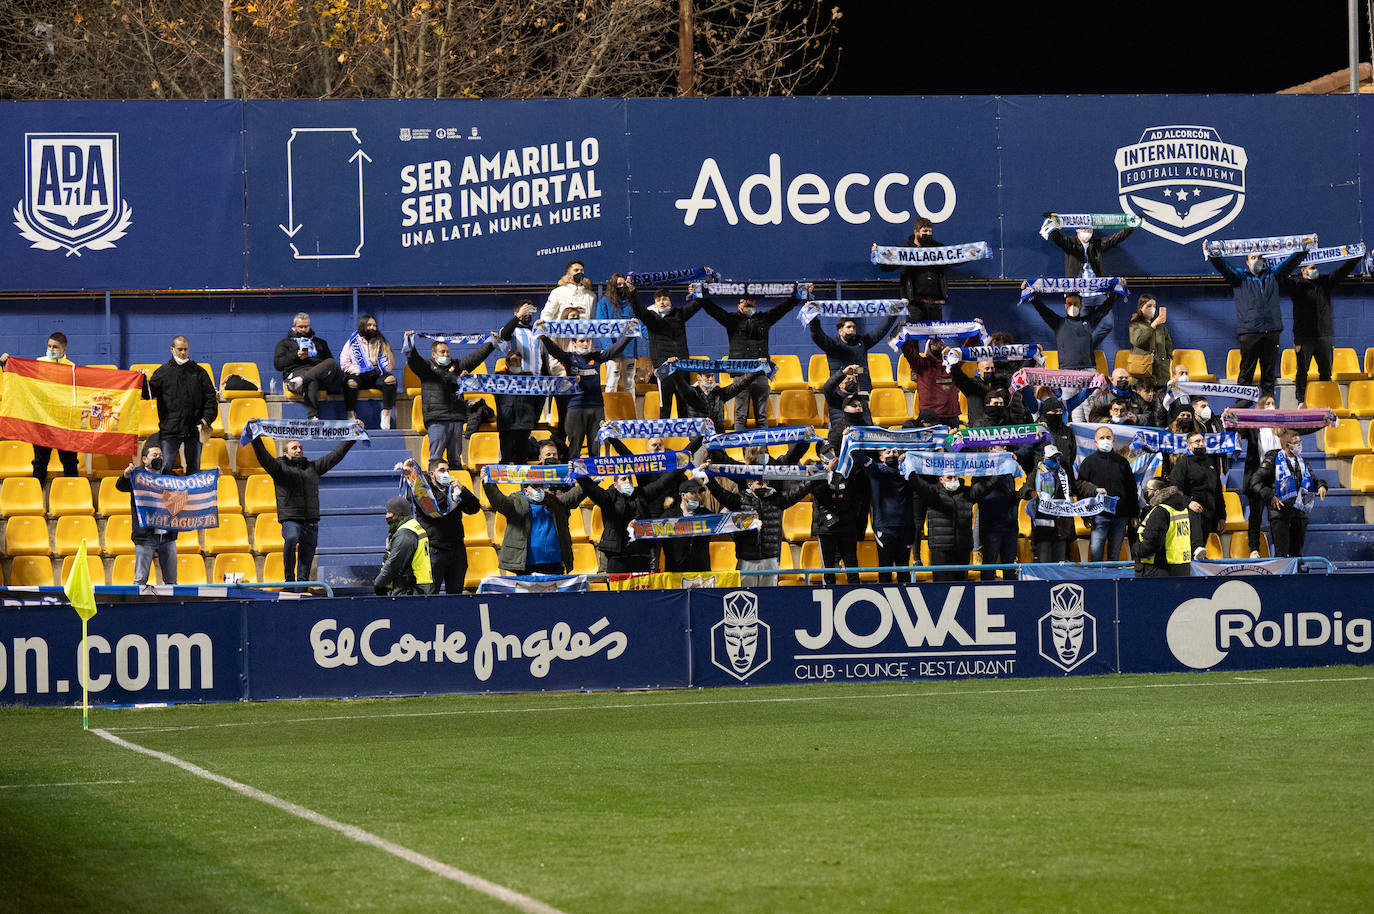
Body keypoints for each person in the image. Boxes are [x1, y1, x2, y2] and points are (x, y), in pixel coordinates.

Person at [251, 433, 358, 583]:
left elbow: (335, 456)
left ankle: (302, 587)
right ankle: (289, 580)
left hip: (311, 521)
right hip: (291, 519)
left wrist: (352, 437)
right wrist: (255, 437)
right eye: (294, 448)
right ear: (285, 453)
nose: (298, 450)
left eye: (300, 448)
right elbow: (263, 456)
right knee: (292, 537)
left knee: (306, 561)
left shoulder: (312, 467)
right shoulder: (278, 468)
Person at [701, 286, 805, 430]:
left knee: (762, 416)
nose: (747, 303)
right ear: (738, 305)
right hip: (740, 375)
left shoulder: (765, 319)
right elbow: (713, 309)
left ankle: (763, 451)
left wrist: (798, 296)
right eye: (744, 301)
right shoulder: (731, 320)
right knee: (741, 415)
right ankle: (742, 451)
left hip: (761, 374)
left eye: (750, 300)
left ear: (755, 303)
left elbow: (783, 308)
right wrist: (699, 296)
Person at [1208, 250, 1306, 401]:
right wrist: (1212, 254)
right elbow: (1223, 266)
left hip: (1272, 331)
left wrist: (1303, 249)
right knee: (1246, 373)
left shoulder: (1272, 275)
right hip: (1249, 332)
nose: (1257, 260)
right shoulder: (1239, 277)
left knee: (1268, 375)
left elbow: (1290, 263)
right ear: (1247, 262)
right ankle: (1240, 410)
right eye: (1253, 257)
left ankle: (1268, 409)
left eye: (1260, 257)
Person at [540, 323, 637, 459]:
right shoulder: (569, 358)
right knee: (574, 448)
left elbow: (615, 349)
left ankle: (595, 479)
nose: (585, 344)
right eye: (581, 341)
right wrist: (543, 337)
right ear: (574, 343)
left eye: (588, 340)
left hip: (597, 408)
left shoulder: (597, 357)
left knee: (595, 447)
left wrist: (629, 334)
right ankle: (574, 480)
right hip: (575, 408)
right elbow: (554, 350)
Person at [405, 331, 496, 469]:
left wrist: (491, 343)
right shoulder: (426, 368)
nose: (446, 355)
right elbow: (413, 359)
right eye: (442, 352)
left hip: (456, 419)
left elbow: (476, 357)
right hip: (437, 419)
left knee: (455, 460)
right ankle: (436, 489)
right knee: (435, 460)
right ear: (433, 354)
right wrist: (409, 343)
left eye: (447, 352)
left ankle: (456, 489)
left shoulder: (457, 366)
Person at [1045, 222, 1135, 360]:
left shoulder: (1097, 244)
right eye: (1083, 229)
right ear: (1077, 230)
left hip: (1099, 293)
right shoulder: (1070, 243)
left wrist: (1131, 226)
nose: (1086, 231)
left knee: (1108, 323)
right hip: (1079, 296)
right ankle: (1081, 353)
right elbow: (1057, 238)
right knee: (1080, 328)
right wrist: (1052, 225)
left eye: (1089, 229)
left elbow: (1116, 238)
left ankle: (1085, 347)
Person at [704, 471, 810, 586]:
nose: (764, 486)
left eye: (765, 483)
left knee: (768, 596)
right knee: (748, 595)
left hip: (770, 559)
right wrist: (707, 476)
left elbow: (799, 493)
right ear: (750, 484)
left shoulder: (777, 499)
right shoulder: (739, 500)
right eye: (760, 483)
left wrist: (813, 479)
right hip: (747, 559)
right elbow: (720, 493)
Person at [1, 332, 81, 483]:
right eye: (49, 346)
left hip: (64, 424)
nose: (51, 349)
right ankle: (37, 498)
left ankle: (72, 500)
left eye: (55, 347)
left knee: (70, 464)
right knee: (39, 464)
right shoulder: (37, 364)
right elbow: (20, 378)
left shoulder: (72, 369)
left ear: (64, 349)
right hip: (41, 422)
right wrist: (7, 363)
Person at [1280, 256, 1362, 405]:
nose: (1315, 270)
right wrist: (1297, 340)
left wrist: (1355, 258)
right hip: (1304, 338)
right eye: (1311, 268)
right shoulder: (1295, 285)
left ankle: (1325, 399)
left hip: (1325, 336)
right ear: (1303, 270)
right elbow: (1279, 275)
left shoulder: (1325, 283)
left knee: (1326, 372)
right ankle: (1301, 401)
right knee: (1302, 372)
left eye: (1316, 267)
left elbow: (1342, 272)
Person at [399, 458, 482, 594]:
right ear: (432, 474)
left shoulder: (455, 491)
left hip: (457, 551)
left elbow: (474, 508)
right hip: (433, 551)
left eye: (448, 471)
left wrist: (463, 490)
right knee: (429, 595)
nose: (446, 474)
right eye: (442, 470)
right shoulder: (423, 493)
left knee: (456, 595)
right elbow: (441, 505)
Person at [580, 470, 685, 573]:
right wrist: (578, 473)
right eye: (623, 479)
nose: (627, 482)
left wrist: (681, 466)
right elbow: (591, 489)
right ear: (615, 484)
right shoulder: (609, 498)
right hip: (618, 557)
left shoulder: (641, 494)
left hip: (641, 556)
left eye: (629, 478)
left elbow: (661, 484)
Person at [1249, 427, 1328, 558]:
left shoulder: (1302, 462)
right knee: (1281, 555)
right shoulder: (1273, 459)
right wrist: (1270, 496)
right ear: (1287, 444)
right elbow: (1255, 481)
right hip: (1280, 513)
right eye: (1297, 442)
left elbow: (1314, 480)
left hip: (1300, 513)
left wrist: (1321, 486)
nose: (1299, 445)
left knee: (1297, 555)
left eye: (1300, 442)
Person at [483, 478, 585, 576]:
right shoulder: (515, 502)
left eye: (541, 486)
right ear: (526, 491)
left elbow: (576, 494)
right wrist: (488, 482)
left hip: (555, 563)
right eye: (535, 487)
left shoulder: (555, 501)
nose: (539, 490)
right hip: (527, 564)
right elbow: (498, 501)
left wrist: (589, 477)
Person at [632, 287, 705, 424]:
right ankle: (663, 441)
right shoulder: (651, 318)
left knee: (683, 405)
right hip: (663, 368)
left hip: (682, 367)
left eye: (665, 299)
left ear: (670, 302)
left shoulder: (679, 315)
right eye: (658, 300)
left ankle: (685, 440)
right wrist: (632, 293)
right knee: (665, 407)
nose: (662, 302)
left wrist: (698, 291)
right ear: (655, 303)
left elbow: (697, 304)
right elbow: (637, 309)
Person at [147, 335, 218, 474]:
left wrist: (207, 419)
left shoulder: (199, 372)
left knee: (194, 469)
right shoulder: (162, 372)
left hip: (194, 429)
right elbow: (147, 393)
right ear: (172, 349)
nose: (183, 352)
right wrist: (141, 381)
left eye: (185, 349)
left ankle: (192, 496)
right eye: (180, 349)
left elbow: (210, 398)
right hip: (170, 430)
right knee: (164, 467)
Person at [115, 441, 177, 585]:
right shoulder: (136, 475)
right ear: (144, 459)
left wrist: (209, 479)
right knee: (140, 579)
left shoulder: (169, 474)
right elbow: (121, 486)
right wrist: (125, 475)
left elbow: (188, 486)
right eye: (155, 455)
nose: (159, 458)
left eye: (161, 455)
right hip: (145, 536)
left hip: (167, 536)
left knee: (172, 581)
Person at [1021, 444, 1095, 563]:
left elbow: (1078, 486)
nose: (1056, 460)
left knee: (1059, 564)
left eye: (1057, 457)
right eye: (1052, 458)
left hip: (1061, 527)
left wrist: (1095, 490)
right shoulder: (1036, 474)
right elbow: (1024, 490)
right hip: (1043, 528)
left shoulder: (1064, 474)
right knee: (1043, 563)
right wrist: (1033, 493)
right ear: (1044, 459)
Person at [1076, 425, 1140, 562]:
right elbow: (1080, 488)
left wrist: (1134, 514)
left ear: (1113, 439)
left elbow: (1131, 489)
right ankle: (1097, 581)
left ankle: (1113, 582)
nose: (1105, 440)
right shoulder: (1088, 463)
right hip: (1098, 516)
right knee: (1096, 553)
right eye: (1102, 438)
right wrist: (1085, 517)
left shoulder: (1122, 462)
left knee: (1114, 555)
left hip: (1120, 516)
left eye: (1108, 437)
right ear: (1095, 441)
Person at [907, 473, 987, 582]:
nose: (953, 480)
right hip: (940, 550)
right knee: (941, 590)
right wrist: (909, 463)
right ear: (941, 479)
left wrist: (1004, 465)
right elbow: (915, 481)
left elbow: (990, 484)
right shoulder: (932, 493)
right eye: (949, 477)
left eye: (955, 477)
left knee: (962, 590)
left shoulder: (967, 492)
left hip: (962, 549)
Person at [1025, 283, 1117, 371]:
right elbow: (1042, 309)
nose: (1072, 306)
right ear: (1065, 306)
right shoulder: (1058, 323)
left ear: (1080, 305)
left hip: (1089, 370)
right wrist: (1029, 292)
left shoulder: (1088, 321)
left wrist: (1118, 290)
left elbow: (1105, 308)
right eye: (1069, 304)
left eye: (1075, 303)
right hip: (1066, 371)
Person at [877, 217, 950, 321]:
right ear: (916, 232)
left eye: (930, 231)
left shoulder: (938, 248)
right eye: (925, 231)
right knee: (914, 335)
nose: (928, 234)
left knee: (936, 337)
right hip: (915, 304)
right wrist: (879, 256)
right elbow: (886, 267)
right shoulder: (905, 250)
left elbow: (956, 258)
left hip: (935, 304)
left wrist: (975, 251)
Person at [808, 313, 901, 395]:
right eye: (848, 327)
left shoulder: (862, 343)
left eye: (854, 327)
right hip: (840, 391)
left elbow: (881, 330)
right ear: (840, 331)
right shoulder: (832, 345)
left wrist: (894, 312)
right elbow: (817, 334)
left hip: (863, 389)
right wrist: (813, 318)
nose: (852, 329)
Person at [861, 448, 916, 582]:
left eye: (895, 451)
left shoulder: (908, 470)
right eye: (887, 452)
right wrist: (849, 437)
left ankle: (906, 601)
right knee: (885, 570)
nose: (892, 454)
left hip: (906, 528)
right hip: (884, 528)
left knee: (904, 571)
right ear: (880, 457)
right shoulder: (875, 470)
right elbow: (857, 455)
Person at [273, 312, 339, 420]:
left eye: (306, 326)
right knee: (311, 380)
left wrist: (312, 357)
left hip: (316, 374)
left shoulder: (320, 343)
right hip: (296, 372)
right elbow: (278, 365)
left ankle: (302, 380)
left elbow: (328, 363)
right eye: (300, 327)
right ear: (294, 326)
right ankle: (313, 417)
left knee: (331, 362)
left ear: (310, 326)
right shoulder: (284, 343)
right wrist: (296, 355)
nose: (304, 329)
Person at [340, 314, 398, 428]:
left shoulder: (382, 342)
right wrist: (360, 370)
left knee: (391, 380)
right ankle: (351, 414)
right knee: (350, 383)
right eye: (369, 325)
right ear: (362, 326)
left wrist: (379, 369)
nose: (373, 328)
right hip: (359, 375)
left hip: (376, 375)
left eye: (375, 325)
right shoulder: (352, 342)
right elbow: (344, 363)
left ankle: (386, 414)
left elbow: (390, 364)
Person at [1170, 430, 1221, 559]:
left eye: (1203, 441)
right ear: (1189, 446)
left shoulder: (1212, 463)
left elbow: (1218, 491)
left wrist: (1222, 516)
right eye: (1197, 441)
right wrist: (1188, 502)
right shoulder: (1182, 463)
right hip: (1191, 512)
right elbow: (1175, 489)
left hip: (1209, 511)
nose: (1201, 443)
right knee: (1194, 549)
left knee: (1200, 550)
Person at [975, 445, 1021, 580]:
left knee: (1010, 568)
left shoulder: (1009, 466)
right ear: (990, 449)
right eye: (1000, 446)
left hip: (1010, 526)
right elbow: (980, 494)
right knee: (989, 565)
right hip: (992, 527)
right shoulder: (981, 468)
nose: (1005, 447)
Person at [374, 497, 435, 596]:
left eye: (390, 513)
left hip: (409, 588)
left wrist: (379, 583)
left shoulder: (405, 534)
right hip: (418, 585)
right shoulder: (413, 526)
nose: (387, 516)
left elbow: (394, 564)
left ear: (399, 514)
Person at [1133, 477, 1193, 577]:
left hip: (1159, 568)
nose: (1146, 492)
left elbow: (1153, 543)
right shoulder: (1182, 509)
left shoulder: (1160, 511)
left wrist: (1136, 549)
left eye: (1149, 489)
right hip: (1182, 566)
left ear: (1157, 492)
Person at [899, 336, 961, 424]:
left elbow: (968, 349)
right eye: (935, 343)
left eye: (941, 343)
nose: (939, 345)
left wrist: (975, 331)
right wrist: (902, 334)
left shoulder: (952, 364)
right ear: (929, 347)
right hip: (930, 419)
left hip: (952, 416)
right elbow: (909, 352)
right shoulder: (921, 364)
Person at [596, 273, 639, 393]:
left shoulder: (631, 302)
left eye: (623, 284)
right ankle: (610, 412)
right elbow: (601, 326)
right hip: (613, 350)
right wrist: (609, 348)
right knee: (611, 382)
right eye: (618, 284)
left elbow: (639, 322)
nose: (621, 286)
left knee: (630, 383)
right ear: (613, 286)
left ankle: (631, 411)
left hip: (630, 349)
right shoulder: (604, 302)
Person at [1126, 293, 1173, 390]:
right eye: (1149, 306)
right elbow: (1138, 341)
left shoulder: (1161, 327)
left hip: (1160, 374)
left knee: (1160, 401)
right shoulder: (1135, 323)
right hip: (1142, 371)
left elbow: (1168, 345)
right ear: (1141, 308)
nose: (1152, 309)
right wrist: (1153, 326)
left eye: (1154, 306)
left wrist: (1167, 359)